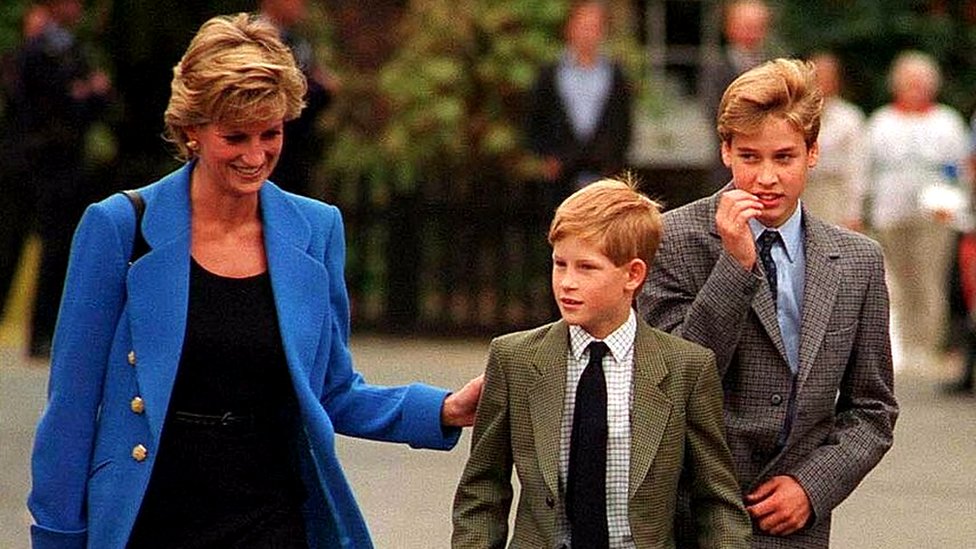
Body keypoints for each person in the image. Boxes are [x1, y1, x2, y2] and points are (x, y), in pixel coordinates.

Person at [28, 13, 482, 548]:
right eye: (235, 137)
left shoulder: (316, 230)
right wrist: (57, 539)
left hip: (272, 517)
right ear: (191, 131)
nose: (255, 155)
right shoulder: (118, 229)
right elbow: (71, 411)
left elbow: (332, 389)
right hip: (153, 518)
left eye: (272, 133)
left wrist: (443, 409)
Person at [640, 59, 899, 548]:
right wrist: (734, 265)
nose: (766, 178)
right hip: (690, 518)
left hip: (797, 525)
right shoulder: (673, 239)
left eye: (784, 158)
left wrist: (812, 485)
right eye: (750, 157)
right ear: (725, 152)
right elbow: (667, 382)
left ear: (813, 153)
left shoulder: (858, 261)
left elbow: (873, 407)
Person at [452, 177, 752, 548]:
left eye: (586, 268)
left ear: (633, 274)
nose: (567, 283)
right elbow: (483, 488)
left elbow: (716, 501)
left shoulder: (686, 368)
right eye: (560, 264)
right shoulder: (514, 358)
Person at [11, 0, 112, 358]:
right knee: (24, 243)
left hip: (66, 161)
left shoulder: (72, 46)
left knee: (59, 249)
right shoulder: (40, 49)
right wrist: (83, 95)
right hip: (40, 159)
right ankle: (38, 331)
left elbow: (92, 101)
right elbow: (40, 101)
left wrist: (91, 94)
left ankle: (45, 330)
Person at [864, 51, 970, 370]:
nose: (915, 89)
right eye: (909, 82)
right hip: (891, 212)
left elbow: (960, 169)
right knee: (898, 279)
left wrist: (955, 204)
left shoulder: (947, 121)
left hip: (935, 214)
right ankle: (905, 346)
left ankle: (929, 345)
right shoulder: (881, 120)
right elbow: (868, 168)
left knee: (930, 279)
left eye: (921, 83)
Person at [525, 0, 632, 217]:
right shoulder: (550, 73)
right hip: (560, 173)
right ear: (570, 29)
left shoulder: (615, 74)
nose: (588, 34)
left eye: (594, 27)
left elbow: (623, 122)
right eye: (583, 26)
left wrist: (613, 162)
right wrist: (547, 157)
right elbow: (535, 118)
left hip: (601, 171)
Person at [259, 0, 337, 198]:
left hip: (297, 148)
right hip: (265, 149)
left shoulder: (298, 42)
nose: (301, 5)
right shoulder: (254, 40)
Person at [700, 0, 778, 190]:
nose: (752, 32)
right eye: (747, 26)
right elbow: (714, 113)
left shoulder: (776, 66)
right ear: (730, 28)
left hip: (771, 164)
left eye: (757, 27)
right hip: (728, 167)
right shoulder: (716, 68)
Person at [804, 52, 867, 229]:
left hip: (834, 194)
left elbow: (856, 168)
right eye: (816, 76)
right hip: (803, 192)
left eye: (827, 76)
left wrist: (854, 212)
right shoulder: (794, 115)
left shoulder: (850, 118)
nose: (821, 81)